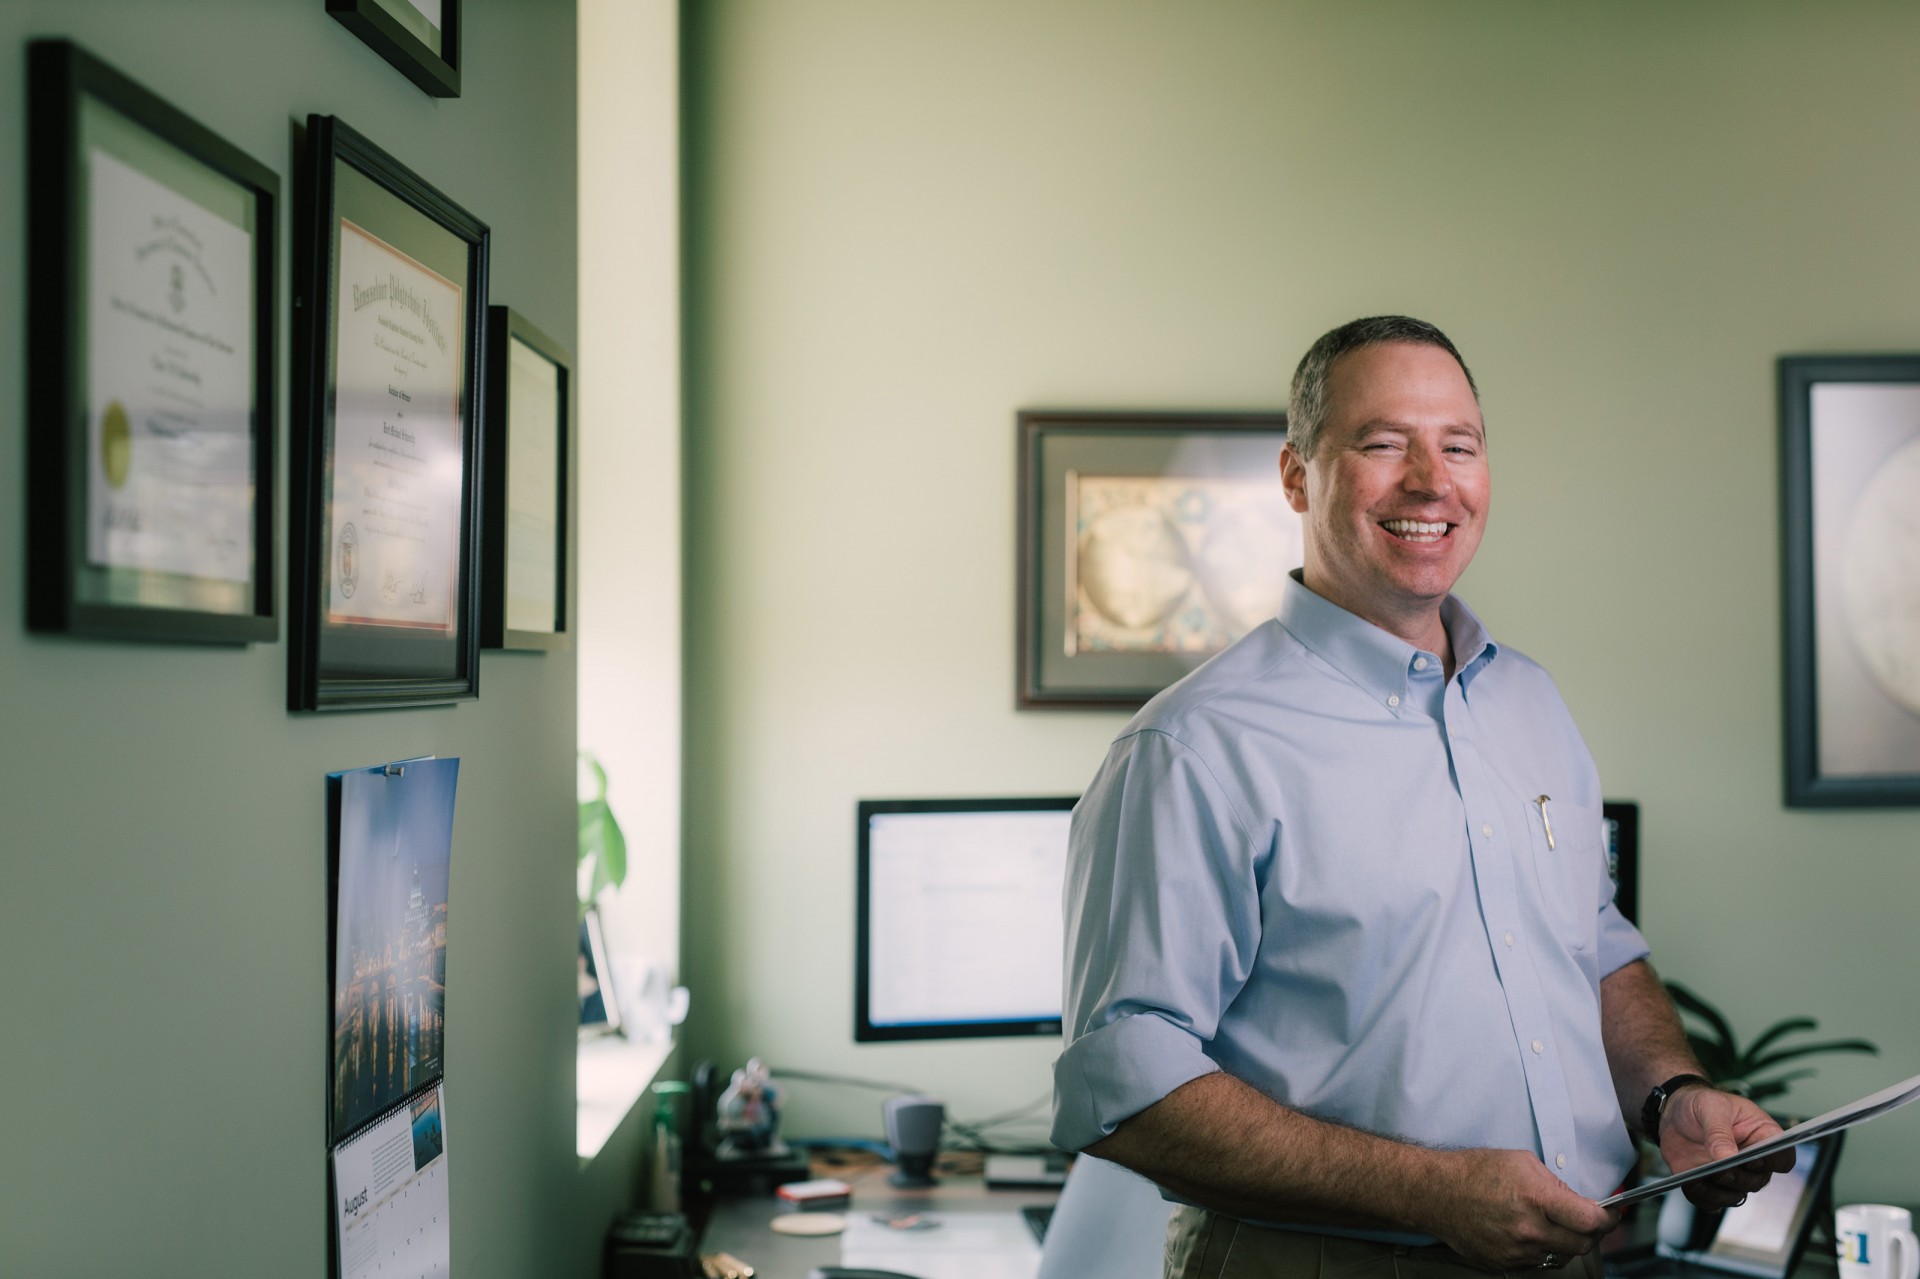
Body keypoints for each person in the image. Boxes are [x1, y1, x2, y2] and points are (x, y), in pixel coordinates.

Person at [1050, 316, 1791, 1278]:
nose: (1431, 481)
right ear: (1295, 477)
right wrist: (1427, 1188)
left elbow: (1594, 946)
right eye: (1383, 443)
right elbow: (1124, 1088)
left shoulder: (1530, 703)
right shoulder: (1193, 747)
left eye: (1459, 446)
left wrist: (1669, 1094)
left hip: (1567, 1261)